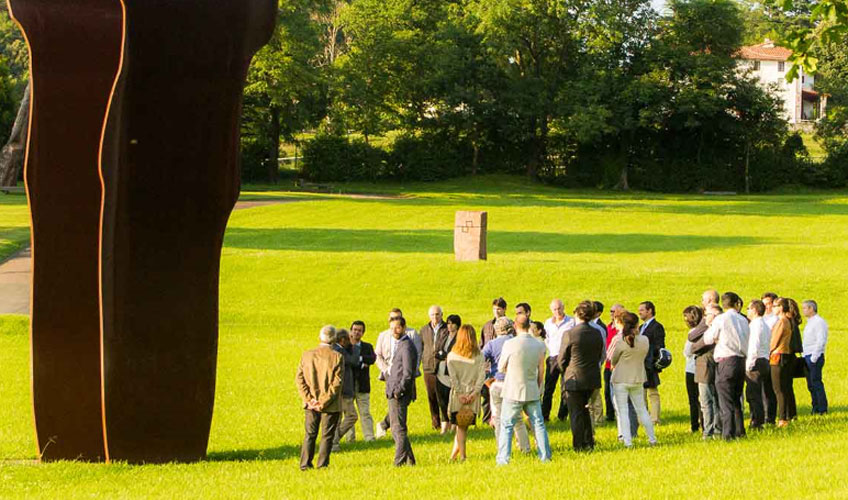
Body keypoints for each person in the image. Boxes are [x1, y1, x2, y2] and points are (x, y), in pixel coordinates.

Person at [496, 313, 551, 465]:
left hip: (513, 389)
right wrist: (539, 386)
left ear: (515, 326)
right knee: (538, 423)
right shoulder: (539, 345)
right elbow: (541, 369)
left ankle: (503, 458)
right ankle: (545, 455)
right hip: (532, 388)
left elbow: (500, 367)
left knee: (507, 425)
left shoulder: (510, 344)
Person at [558, 301, 605, 451]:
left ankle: (578, 444)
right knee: (585, 410)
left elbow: (561, 359)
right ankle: (588, 441)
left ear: (577, 314)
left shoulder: (570, 334)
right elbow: (600, 355)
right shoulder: (597, 332)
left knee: (576, 413)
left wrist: (565, 371)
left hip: (574, 378)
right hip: (592, 378)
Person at [296, 325, 344, 470]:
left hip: (310, 404)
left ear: (320, 337)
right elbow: (337, 383)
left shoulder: (307, 355)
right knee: (327, 436)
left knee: (310, 434)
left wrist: (309, 399)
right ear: (334, 339)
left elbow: (299, 379)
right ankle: (322, 465)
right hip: (330, 404)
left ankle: (305, 463)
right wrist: (323, 401)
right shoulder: (337, 356)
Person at [703, 292, 749, 440]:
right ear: (737, 304)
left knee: (725, 399)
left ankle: (727, 433)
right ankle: (739, 431)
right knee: (736, 398)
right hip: (741, 360)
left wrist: (710, 327)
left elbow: (708, 338)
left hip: (726, 360)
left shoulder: (721, 319)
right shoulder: (743, 320)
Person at [609, 310, 658, 447]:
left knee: (623, 411)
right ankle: (652, 438)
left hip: (620, 379)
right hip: (638, 377)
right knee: (642, 409)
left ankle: (627, 441)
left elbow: (613, 359)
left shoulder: (621, 341)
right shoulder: (644, 340)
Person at [482, 316, 531, 453]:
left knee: (498, 419)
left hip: (497, 383)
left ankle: (502, 448)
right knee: (518, 419)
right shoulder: (516, 342)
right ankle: (525, 448)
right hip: (515, 383)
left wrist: (486, 378)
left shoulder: (491, 344)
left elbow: (480, 359)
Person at [374, 308, 422, 438]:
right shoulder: (383, 335)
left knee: (403, 402)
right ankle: (387, 426)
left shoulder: (411, 334)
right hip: (390, 374)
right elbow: (377, 354)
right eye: (391, 319)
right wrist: (386, 370)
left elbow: (417, 354)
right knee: (394, 403)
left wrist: (413, 370)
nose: (394, 325)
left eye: (397, 318)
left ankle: (386, 425)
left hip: (406, 373)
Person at [447, 324, 487, 462]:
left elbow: (453, 378)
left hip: (459, 395)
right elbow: (482, 377)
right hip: (472, 394)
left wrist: (459, 393)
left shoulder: (452, 356)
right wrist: (475, 393)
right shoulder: (479, 356)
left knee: (460, 427)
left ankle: (458, 456)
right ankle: (458, 456)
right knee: (462, 427)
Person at [385, 316, 418, 466]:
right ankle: (410, 460)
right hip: (393, 391)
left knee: (398, 429)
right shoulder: (401, 344)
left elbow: (408, 373)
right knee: (397, 428)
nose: (394, 331)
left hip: (399, 393)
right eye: (391, 328)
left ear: (404, 327)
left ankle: (398, 462)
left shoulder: (406, 346)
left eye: (397, 328)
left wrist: (399, 390)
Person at [745, 300, 775, 428]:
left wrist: (749, 364)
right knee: (759, 392)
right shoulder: (765, 325)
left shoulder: (756, 325)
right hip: (764, 360)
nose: (747, 311)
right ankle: (760, 419)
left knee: (753, 394)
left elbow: (753, 346)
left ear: (755, 310)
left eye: (748, 308)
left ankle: (756, 421)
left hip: (756, 361)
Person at [543, 298, 574, 421]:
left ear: (563, 307)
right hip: (552, 357)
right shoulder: (548, 323)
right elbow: (546, 338)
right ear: (551, 310)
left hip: (566, 357)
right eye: (555, 309)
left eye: (559, 308)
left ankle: (562, 415)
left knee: (565, 387)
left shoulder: (571, 321)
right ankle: (545, 415)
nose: (557, 311)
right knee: (548, 388)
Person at [420, 305, 450, 432]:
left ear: (442, 315)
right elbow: (420, 347)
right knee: (431, 396)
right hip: (428, 367)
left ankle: (446, 421)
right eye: (432, 315)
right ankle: (435, 423)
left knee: (443, 397)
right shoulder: (424, 329)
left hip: (442, 366)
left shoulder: (447, 329)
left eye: (437, 314)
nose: (435, 317)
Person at [347, 320, 376, 442]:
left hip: (362, 385)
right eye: (355, 330)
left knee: (365, 412)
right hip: (348, 385)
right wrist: (361, 363)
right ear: (351, 331)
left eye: (359, 330)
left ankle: (369, 437)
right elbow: (348, 361)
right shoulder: (346, 347)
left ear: (363, 333)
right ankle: (350, 438)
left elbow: (372, 358)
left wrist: (360, 358)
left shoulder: (367, 347)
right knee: (349, 414)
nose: (357, 332)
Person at [480, 297, 508, 425]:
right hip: (488, 367)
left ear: (504, 309)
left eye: (499, 309)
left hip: (504, 369)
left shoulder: (510, 324)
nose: (496, 312)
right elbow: (482, 344)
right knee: (486, 396)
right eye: (494, 309)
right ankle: (487, 420)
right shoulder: (487, 326)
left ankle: (500, 420)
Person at [638, 301, 666, 425]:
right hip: (640, 364)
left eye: (642, 310)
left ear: (650, 311)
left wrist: (652, 359)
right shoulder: (640, 327)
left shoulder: (657, 326)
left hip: (650, 364)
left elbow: (660, 346)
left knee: (652, 392)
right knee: (641, 392)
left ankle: (654, 419)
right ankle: (643, 418)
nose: (639, 312)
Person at [769, 298, 795, 427]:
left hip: (777, 356)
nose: (772, 308)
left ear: (781, 307)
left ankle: (782, 418)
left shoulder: (782, 321)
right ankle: (787, 416)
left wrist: (767, 351)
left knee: (778, 389)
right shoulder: (788, 320)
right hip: (784, 355)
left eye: (775, 306)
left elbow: (774, 341)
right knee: (783, 388)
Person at [332, 328, 358, 451]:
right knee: (351, 416)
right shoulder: (339, 351)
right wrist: (355, 346)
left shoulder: (336, 349)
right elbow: (354, 361)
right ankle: (334, 440)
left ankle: (333, 442)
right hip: (344, 391)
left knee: (338, 419)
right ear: (342, 340)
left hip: (339, 391)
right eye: (348, 339)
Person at [802, 300, 829, 415]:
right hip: (807, 355)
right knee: (811, 384)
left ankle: (822, 408)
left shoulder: (819, 322)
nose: (803, 311)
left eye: (805, 308)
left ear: (811, 308)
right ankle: (815, 406)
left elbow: (821, 340)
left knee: (816, 382)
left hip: (814, 356)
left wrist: (814, 357)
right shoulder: (810, 322)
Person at [435, 314, 461, 434]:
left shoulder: (460, 338)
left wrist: (445, 355)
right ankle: (444, 424)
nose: (449, 326)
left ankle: (454, 425)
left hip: (452, 373)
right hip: (440, 371)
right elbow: (437, 350)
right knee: (442, 400)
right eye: (448, 323)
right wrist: (442, 355)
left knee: (453, 401)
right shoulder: (444, 335)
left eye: (452, 323)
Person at [604, 304, 624, 422]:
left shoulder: (621, 331)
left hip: (618, 365)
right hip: (608, 366)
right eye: (611, 311)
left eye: (615, 312)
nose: (612, 314)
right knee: (608, 391)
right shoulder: (608, 327)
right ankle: (610, 414)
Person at [682, 330, 701, 434]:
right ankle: (704, 423)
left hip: (691, 369)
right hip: (703, 369)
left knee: (693, 400)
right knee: (704, 399)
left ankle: (694, 425)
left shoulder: (693, 332)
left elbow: (687, 352)